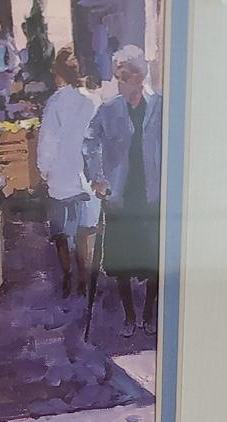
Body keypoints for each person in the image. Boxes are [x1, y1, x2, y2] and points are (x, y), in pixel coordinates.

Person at [84, 45, 162, 337]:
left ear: (139, 77)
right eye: (118, 77)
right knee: (122, 260)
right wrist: (97, 178)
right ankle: (130, 316)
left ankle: (149, 313)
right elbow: (89, 142)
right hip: (119, 195)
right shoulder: (109, 109)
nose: (120, 83)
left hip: (153, 195)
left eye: (124, 77)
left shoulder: (160, 107)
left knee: (154, 259)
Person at [37, 48, 101, 298]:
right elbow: (98, 142)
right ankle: (83, 277)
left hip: (60, 178)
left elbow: (47, 142)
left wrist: (44, 170)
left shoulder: (55, 103)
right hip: (83, 177)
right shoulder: (92, 101)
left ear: (58, 74)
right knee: (84, 231)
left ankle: (67, 275)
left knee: (62, 233)